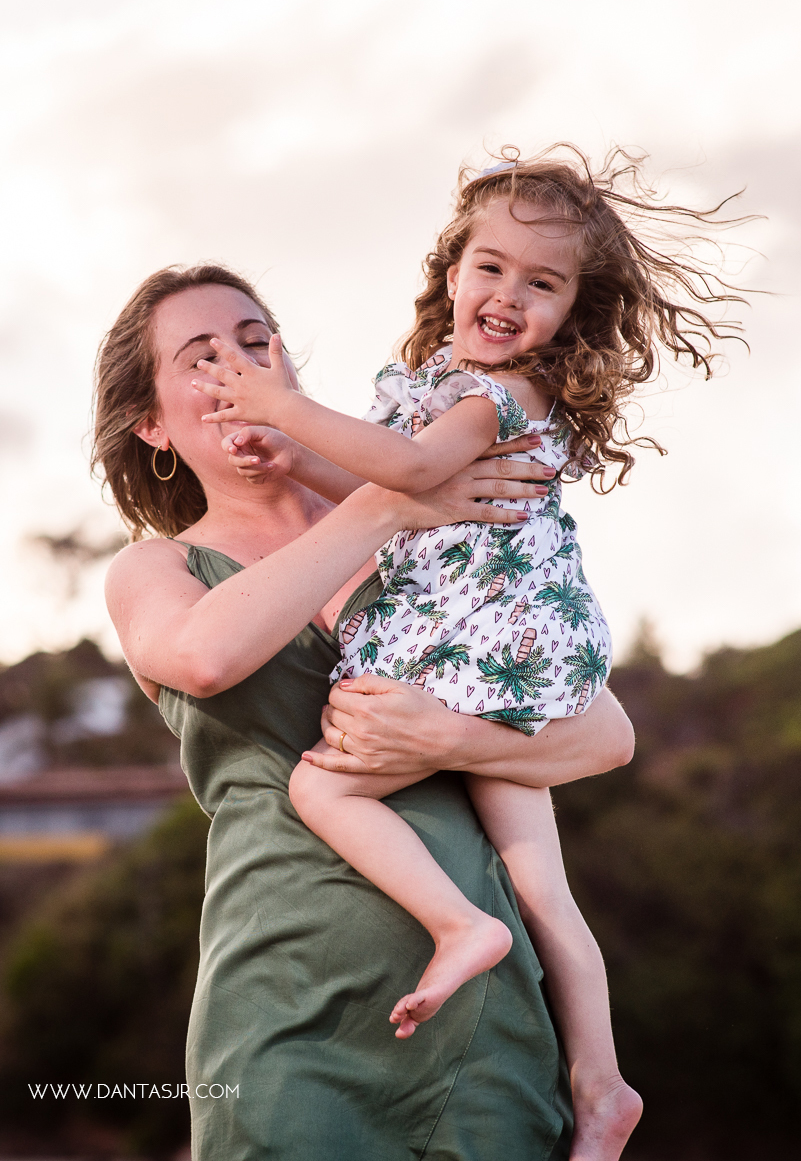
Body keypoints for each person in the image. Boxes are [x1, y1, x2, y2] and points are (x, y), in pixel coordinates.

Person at [192, 148, 744, 1160]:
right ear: (451, 272)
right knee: (543, 888)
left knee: (321, 787)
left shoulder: (500, 394)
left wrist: (281, 409)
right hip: (508, 648)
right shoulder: (445, 387)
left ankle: (457, 926)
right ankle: (603, 1086)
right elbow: (395, 486)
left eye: (542, 284)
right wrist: (301, 454)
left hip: (467, 644)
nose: (507, 295)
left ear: (571, 310)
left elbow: (409, 472)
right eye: (490, 267)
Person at [94, 262, 638, 1161]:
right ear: (150, 422)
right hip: (281, 1007)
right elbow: (204, 657)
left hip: (484, 1018)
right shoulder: (156, 570)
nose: (238, 367)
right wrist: (386, 505)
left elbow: (604, 733)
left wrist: (448, 737)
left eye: (255, 343)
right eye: (200, 358)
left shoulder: (430, 540)